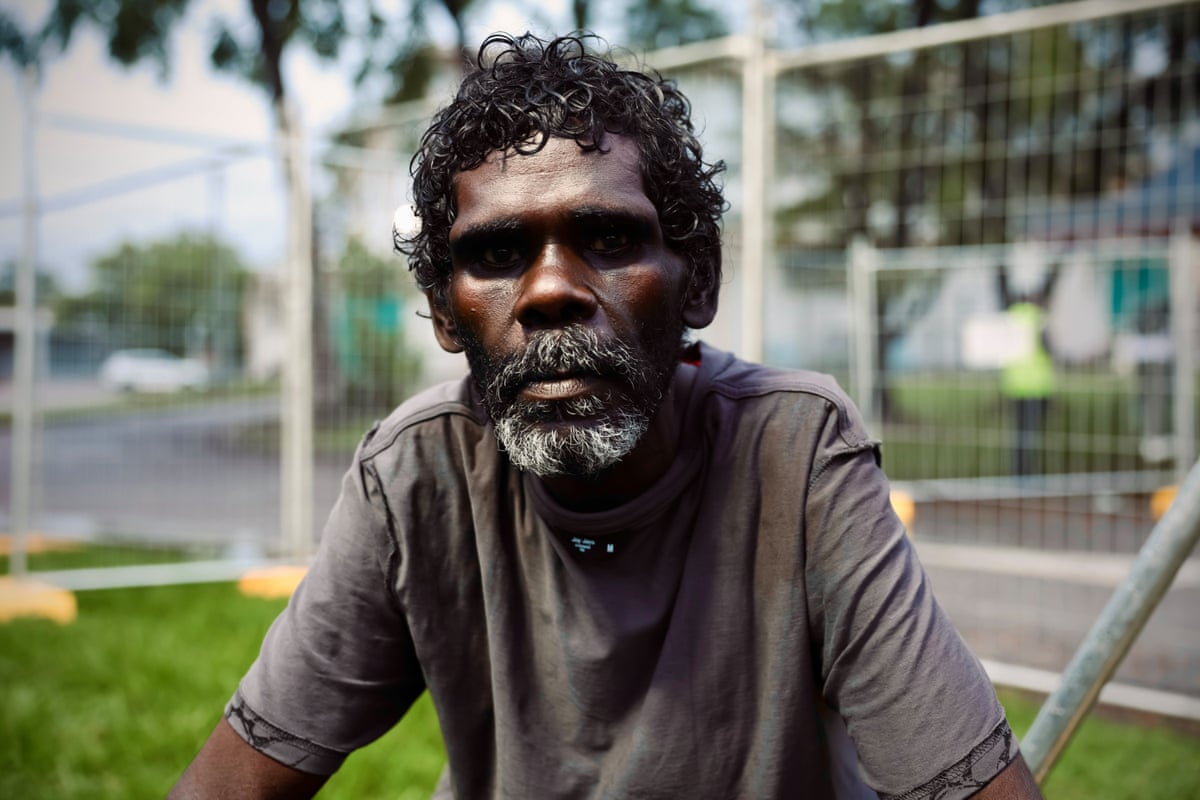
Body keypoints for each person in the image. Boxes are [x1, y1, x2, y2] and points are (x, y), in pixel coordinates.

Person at [170, 33, 1043, 800]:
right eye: (499, 254)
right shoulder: (412, 474)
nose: (552, 291)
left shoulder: (797, 449)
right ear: (445, 314)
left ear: (696, 281)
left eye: (611, 240)